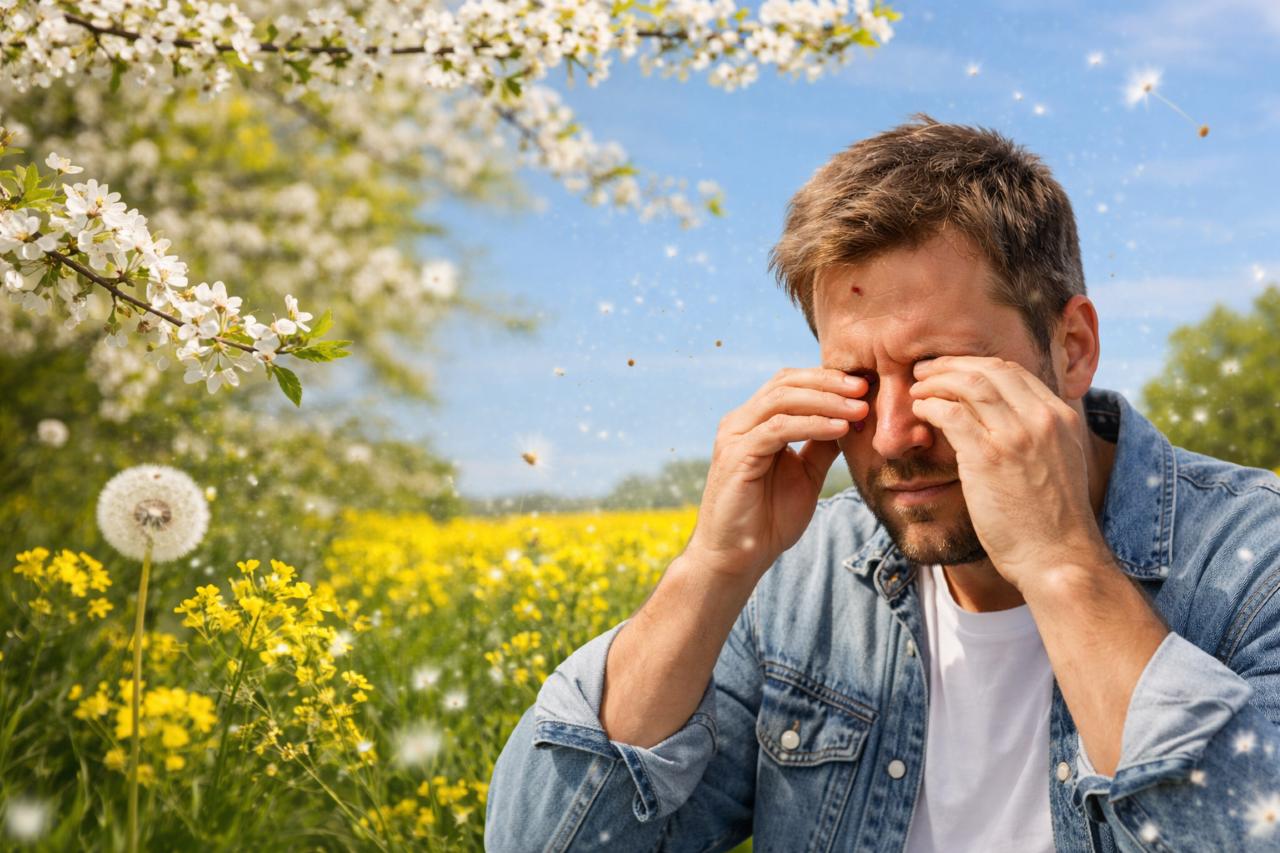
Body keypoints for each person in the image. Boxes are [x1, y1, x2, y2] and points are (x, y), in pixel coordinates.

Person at [483, 113, 1280, 852]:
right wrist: (711, 571)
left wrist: (1063, 564)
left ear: (1071, 347)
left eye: (940, 371)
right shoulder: (797, 584)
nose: (895, 435)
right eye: (857, 382)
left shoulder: (1254, 562)